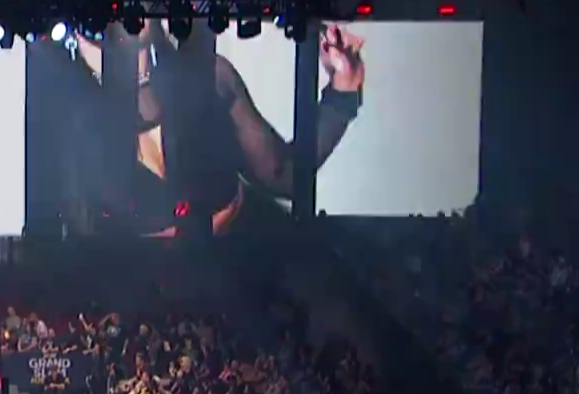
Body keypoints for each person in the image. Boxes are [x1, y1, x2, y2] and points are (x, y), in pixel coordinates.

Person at [62, 20, 366, 236]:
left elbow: (284, 176)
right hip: (145, 295)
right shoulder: (74, 118)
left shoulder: (208, 77)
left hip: (240, 271)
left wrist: (343, 89)